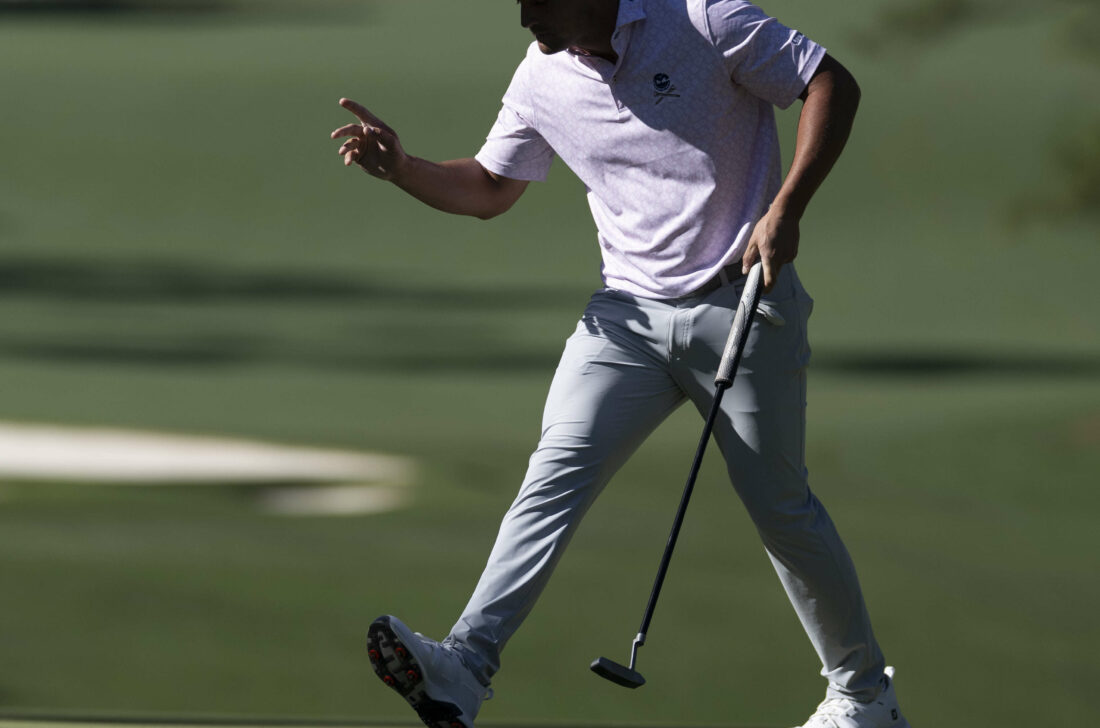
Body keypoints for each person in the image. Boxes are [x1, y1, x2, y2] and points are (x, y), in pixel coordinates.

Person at [331, 1, 910, 727]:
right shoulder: (542, 75)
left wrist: (787, 206)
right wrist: (404, 169)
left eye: (537, 2)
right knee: (554, 473)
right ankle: (464, 669)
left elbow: (829, 82)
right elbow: (488, 187)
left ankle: (864, 698)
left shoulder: (705, 19)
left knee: (780, 507)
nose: (524, 18)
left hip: (743, 303)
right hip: (626, 320)